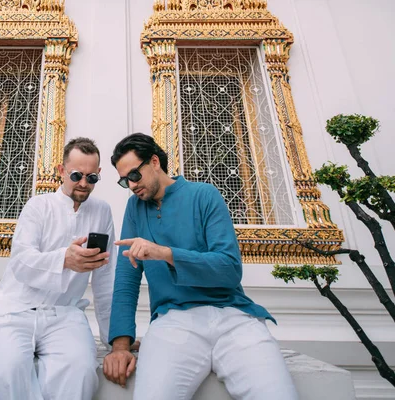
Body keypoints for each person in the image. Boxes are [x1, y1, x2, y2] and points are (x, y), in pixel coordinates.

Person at [103, 133, 298, 400]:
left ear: (155, 162)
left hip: (233, 316)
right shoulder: (135, 209)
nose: (131, 185)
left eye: (134, 175)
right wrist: (120, 346)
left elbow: (229, 269)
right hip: (173, 321)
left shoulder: (203, 195)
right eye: (124, 181)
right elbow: (126, 279)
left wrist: (165, 253)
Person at [0, 137, 116, 400]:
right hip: (14, 312)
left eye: (92, 177)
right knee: (6, 372)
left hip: (64, 315)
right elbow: (21, 261)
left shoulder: (102, 210)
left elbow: (105, 278)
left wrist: (114, 338)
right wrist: (65, 259)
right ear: (61, 170)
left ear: (99, 174)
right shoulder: (38, 206)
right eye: (76, 175)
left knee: (82, 371)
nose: (84, 184)